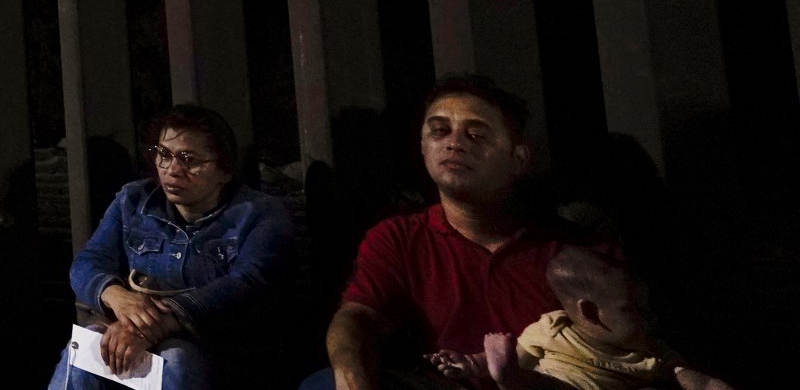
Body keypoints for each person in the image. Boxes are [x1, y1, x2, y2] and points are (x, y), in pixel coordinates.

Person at [311, 75, 590, 390]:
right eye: (440, 131)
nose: (454, 143)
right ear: (422, 146)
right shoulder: (399, 237)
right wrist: (351, 378)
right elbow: (356, 317)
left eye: (475, 134)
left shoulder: (571, 250)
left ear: (518, 158)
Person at [53, 103, 291, 390]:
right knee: (84, 351)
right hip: (131, 331)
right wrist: (117, 297)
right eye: (164, 155)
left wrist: (163, 319)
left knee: (176, 359)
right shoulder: (134, 201)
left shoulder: (258, 214)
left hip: (218, 346)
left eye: (189, 160)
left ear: (225, 171)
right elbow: (88, 261)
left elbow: (246, 284)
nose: (172, 170)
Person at [468, 246, 735, 390]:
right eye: (634, 308)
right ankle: (508, 380)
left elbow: (696, 380)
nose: (650, 315)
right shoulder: (553, 328)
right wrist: (471, 363)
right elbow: (518, 358)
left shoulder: (650, 350)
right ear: (589, 312)